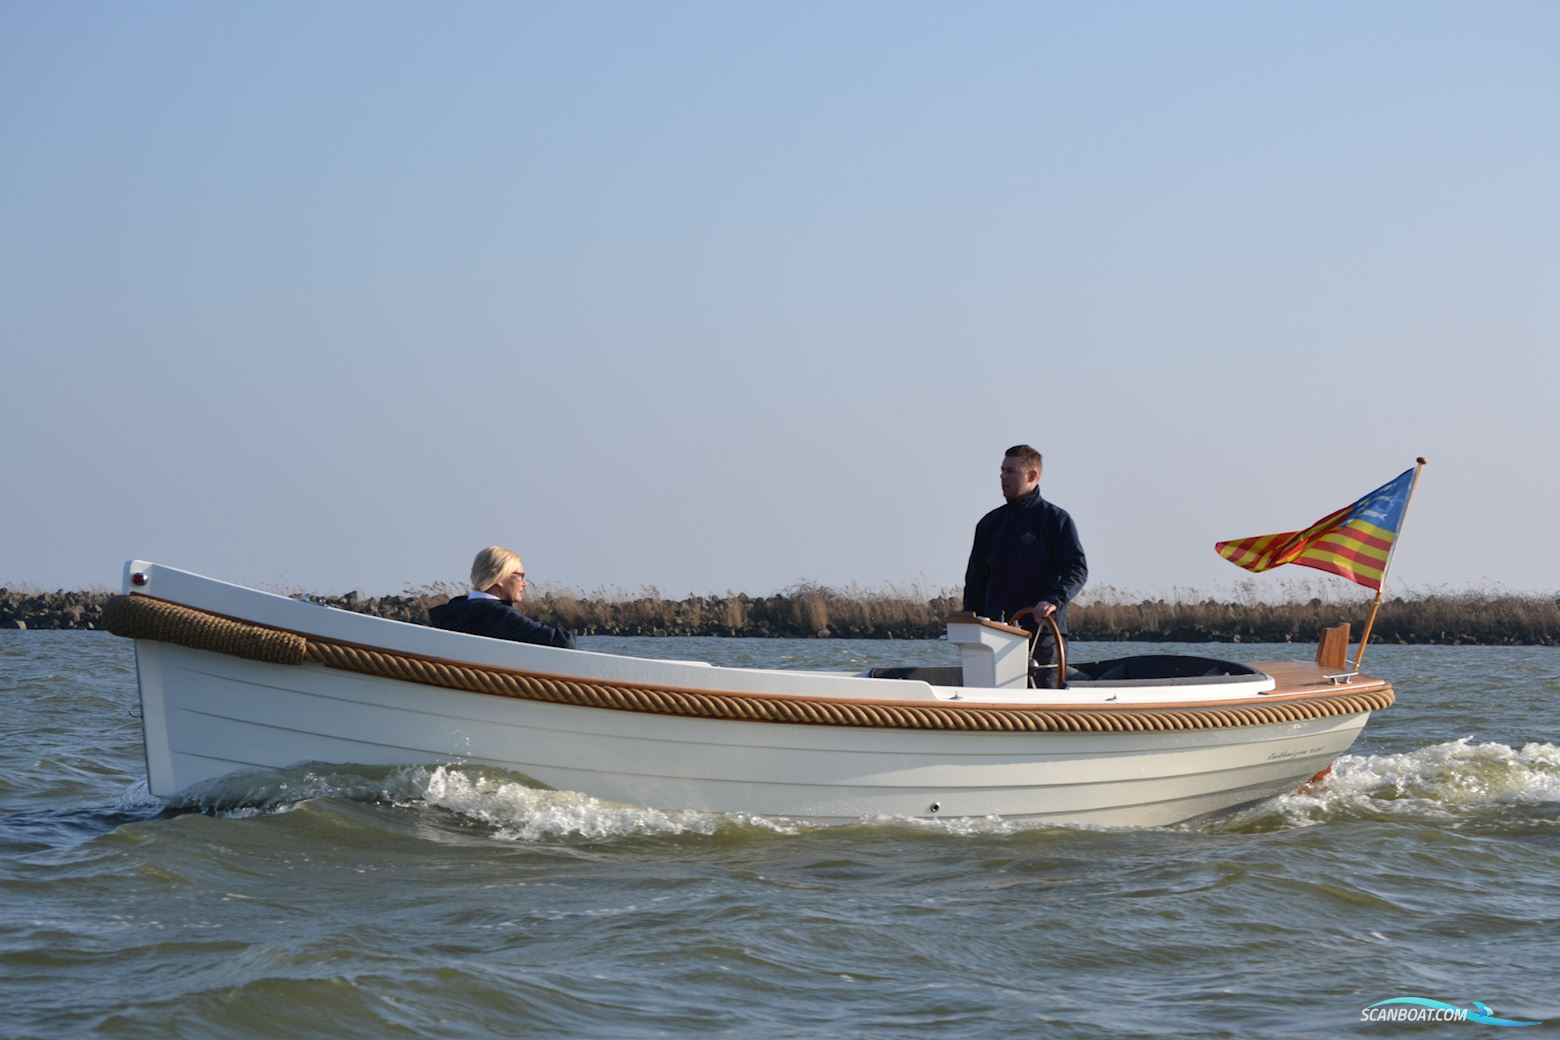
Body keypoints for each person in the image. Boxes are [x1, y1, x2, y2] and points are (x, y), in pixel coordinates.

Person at [962, 445, 1088, 669]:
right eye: (1002, 471)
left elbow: (1077, 570)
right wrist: (968, 623)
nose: (1003, 477)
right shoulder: (989, 524)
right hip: (995, 634)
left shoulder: (1056, 520)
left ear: (1032, 476)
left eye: (1011, 471)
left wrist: (1053, 600)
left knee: (1045, 691)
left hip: (1043, 633)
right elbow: (975, 580)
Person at [427, 546, 577, 649]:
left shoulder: (452, 610)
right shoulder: (498, 615)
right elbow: (565, 642)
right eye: (519, 576)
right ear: (499, 578)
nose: (524, 583)